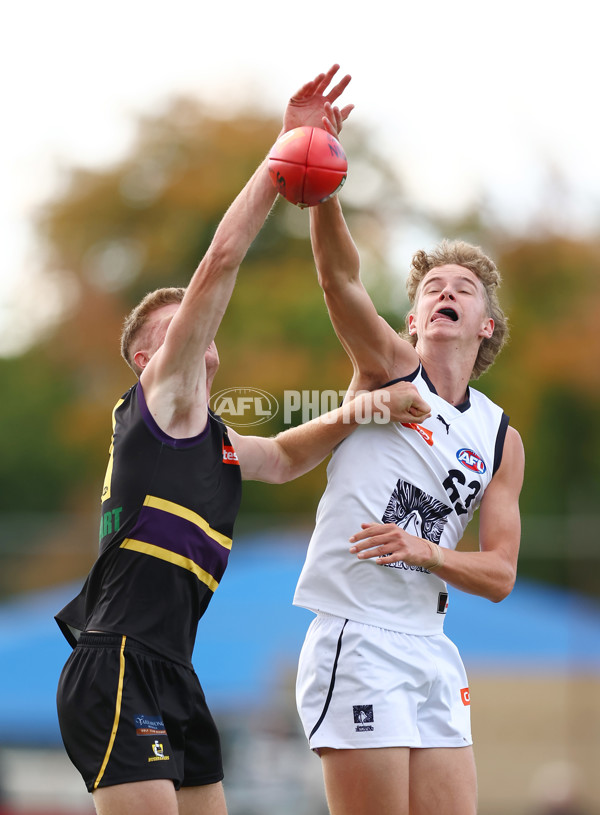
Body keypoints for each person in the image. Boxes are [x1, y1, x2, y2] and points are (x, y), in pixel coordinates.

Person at [54, 65, 433, 815]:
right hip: (117, 664)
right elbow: (221, 262)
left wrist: (372, 404)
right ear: (144, 359)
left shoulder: (216, 443)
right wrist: (282, 153)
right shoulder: (158, 401)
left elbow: (290, 454)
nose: (200, 325)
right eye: (177, 325)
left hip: (174, 672)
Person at [292, 140, 525, 813]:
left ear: (486, 325)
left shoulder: (502, 437)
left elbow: (501, 573)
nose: (445, 290)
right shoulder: (391, 369)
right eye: (431, 287)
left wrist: (426, 549)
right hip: (357, 632)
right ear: (416, 320)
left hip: (430, 645)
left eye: (463, 287)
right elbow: (340, 282)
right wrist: (322, 179)